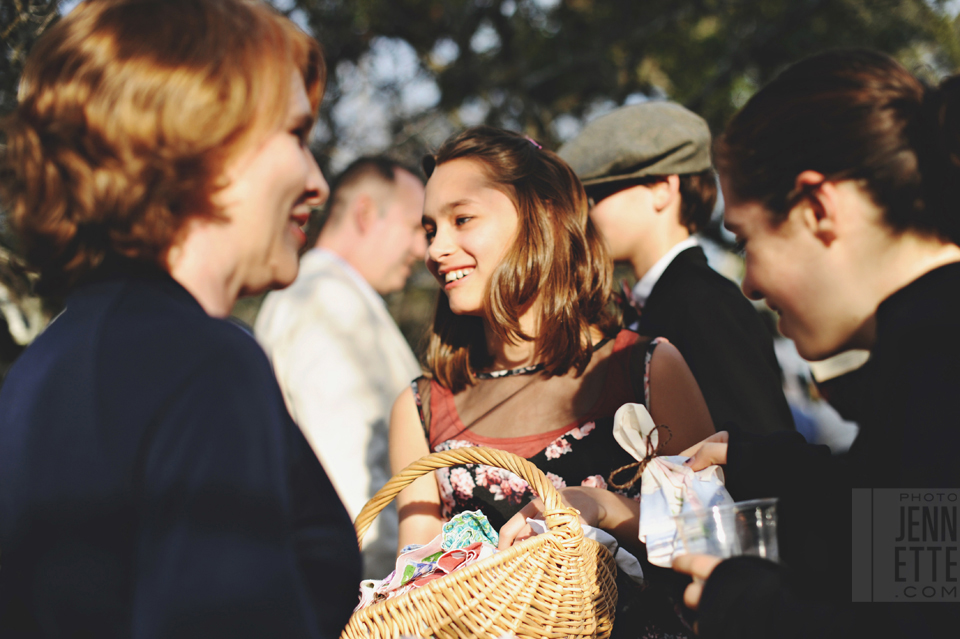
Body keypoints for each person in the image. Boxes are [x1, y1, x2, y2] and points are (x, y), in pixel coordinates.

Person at [0, 1, 360, 637]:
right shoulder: (204, 364)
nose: (317, 182)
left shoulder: (39, 370)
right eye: (297, 137)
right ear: (202, 140)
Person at [672, 49, 960, 638]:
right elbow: (916, 538)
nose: (749, 283)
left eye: (748, 239)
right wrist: (768, 464)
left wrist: (742, 605)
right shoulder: (928, 343)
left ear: (816, 208)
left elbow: (918, 618)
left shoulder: (939, 360)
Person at [389, 125, 715, 637]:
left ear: (539, 218)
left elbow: (714, 541)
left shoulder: (645, 368)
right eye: (431, 229)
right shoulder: (421, 406)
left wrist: (604, 507)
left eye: (462, 219)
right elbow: (418, 588)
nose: (436, 249)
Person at [558, 103, 795, 436]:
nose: (584, 216)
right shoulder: (667, 300)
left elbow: (760, 453)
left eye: (596, 196)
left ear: (662, 189)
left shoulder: (706, 303)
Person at [255, 156, 426, 579]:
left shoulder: (325, 296)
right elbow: (353, 480)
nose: (422, 250)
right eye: (413, 228)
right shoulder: (326, 304)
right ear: (366, 214)